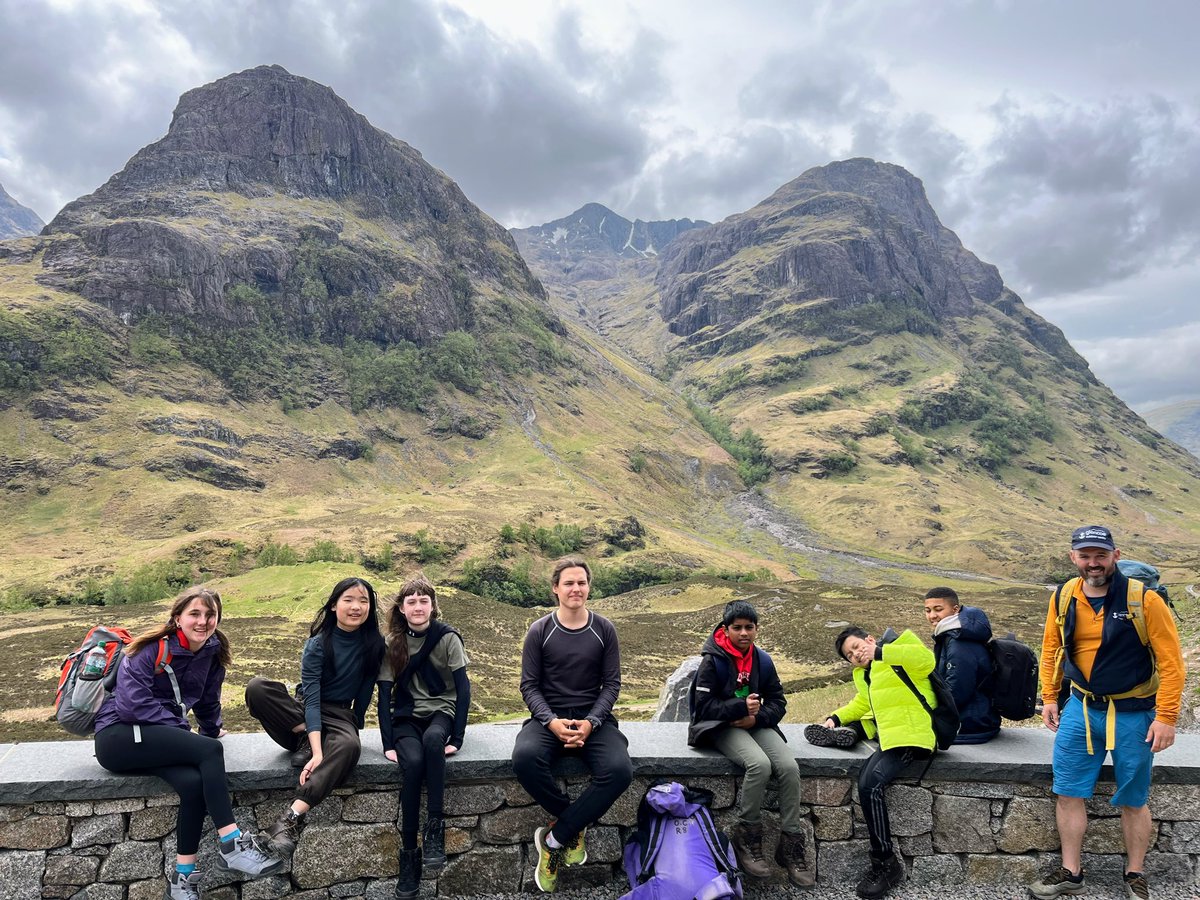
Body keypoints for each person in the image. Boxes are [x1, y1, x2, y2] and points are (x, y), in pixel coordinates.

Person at [94, 587, 283, 900]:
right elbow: (131, 706)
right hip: (118, 736)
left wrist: (211, 728)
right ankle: (231, 844)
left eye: (210, 615)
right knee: (209, 751)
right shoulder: (149, 649)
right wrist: (184, 732)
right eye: (195, 613)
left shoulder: (213, 650)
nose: (203, 621)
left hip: (153, 739)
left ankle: (183, 880)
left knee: (194, 783)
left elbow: (208, 697)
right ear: (177, 617)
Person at [1029, 526, 1185, 900]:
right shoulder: (1064, 595)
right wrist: (1050, 696)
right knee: (1068, 792)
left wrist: (1166, 717)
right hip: (1080, 709)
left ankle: (1134, 875)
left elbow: (1172, 663)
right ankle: (1071, 872)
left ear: (1116, 555)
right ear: (1073, 558)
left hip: (1134, 714)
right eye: (1085, 556)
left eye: (1100, 555)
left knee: (1134, 798)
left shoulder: (1145, 601)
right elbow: (1052, 646)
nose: (1093, 563)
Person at [511, 557, 634, 893]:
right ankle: (572, 825)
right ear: (556, 588)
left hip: (594, 719)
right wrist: (551, 723)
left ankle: (554, 839)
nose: (576, 588)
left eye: (581, 582)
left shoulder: (604, 629)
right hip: (548, 718)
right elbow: (529, 685)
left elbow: (611, 684)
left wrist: (592, 723)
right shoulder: (540, 630)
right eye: (569, 583)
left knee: (620, 770)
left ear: (589, 587)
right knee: (524, 759)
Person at [245, 576, 387, 857]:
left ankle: (290, 819)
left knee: (349, 746)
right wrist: (319, 753)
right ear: (334, 605)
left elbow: (365, 694)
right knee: (257, 688)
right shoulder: (318, 644)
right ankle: (306, 740)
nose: (356, 606)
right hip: (304, 710)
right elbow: (310, 698)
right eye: (348, 599)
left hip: (339, 714)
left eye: (363, 601)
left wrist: (352, 725)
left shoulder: (374, 644)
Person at [687, 600, 814, 887]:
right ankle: (747, 836)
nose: (744, 633)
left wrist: (755, 719)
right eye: (737, 628)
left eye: (749, 627)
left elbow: (778, 701)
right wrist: (739, 708)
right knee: (759, 764)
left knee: (789, 767)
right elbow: (703, 707)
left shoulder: (763, 660)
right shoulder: (712, 660)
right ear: (726, 629)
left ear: (756, 629)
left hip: (753, 723)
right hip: (720, 726)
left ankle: (791, 843)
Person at [808, 626, 936, 900]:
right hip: (890, 737)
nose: (855, 654)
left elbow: (926, 661)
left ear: (869, 639)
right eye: (849, 654)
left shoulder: (900, 646)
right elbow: (862, 702)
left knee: (870, 784)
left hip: (913, 736)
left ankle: (886, 863)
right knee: (866, 779)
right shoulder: (865, 674)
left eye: (856, 647)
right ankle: (848, 732)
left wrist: (881, 652)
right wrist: (836, 718)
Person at [378, 575, 471, 899]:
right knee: (413, 764)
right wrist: (388, 744)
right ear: (402, 609)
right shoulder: (393, 644)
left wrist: (456, 737)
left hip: (439, 714)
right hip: (405, 718)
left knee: (433, 743)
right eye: (411, 601)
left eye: (423, 600)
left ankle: (435, 828)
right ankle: (409, 858)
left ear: (432, 605)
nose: (418, 607)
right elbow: (385, 694)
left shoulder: (448, 638)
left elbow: (463, 689)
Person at [923, 587, 1000, 744]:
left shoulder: (960, 643)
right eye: (928, 610)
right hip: (974, 718)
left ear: (955, 609)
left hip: (970, 724)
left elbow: (957, 690)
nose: (932, 616)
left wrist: (932, 715)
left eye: (938, 609)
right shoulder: (953, 636)